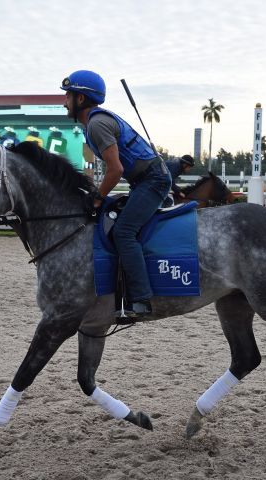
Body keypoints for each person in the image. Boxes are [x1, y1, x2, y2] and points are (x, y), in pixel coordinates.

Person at [61, 70, 171, 318]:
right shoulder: (94, 124)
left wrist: (98, 197)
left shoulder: (98, 124)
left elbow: (116, 169)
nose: (64, 101)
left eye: (68, 95)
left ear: (80, 99)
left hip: (152, 181)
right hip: (142, 182)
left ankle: (141, 300)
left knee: (123, 231)